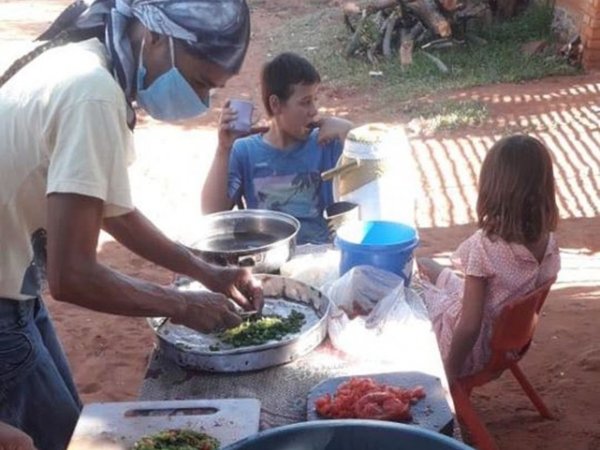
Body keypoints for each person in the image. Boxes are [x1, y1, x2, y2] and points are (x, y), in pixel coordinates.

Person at [0, 1, 262, 449]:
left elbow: (112, 211)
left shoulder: (82, 62)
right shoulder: (93, 93)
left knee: (70, 428)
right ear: (155, 37)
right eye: (200, 82)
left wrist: (207, 272)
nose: (201, 101)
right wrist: (181, 306)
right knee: (57, 440)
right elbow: (73, 276)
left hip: (15, 288)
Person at [416, 135, 560, 382]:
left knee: (412, 289)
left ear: (491, 189)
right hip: (507, 341)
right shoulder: (547, 242)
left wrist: (449, 373)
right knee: (427, 266)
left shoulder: (483, 247)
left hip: (472, 349)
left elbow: (470, 326)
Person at [201, 52, 353, 244]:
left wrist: (349, 133)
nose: (314, 111)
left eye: (315, 99)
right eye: (305, 102)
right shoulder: (245, 152)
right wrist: (223, 149)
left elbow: (373, 188)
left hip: (319, 260)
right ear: (276, 105)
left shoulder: (326, 144)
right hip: (268, 259)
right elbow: (212, 213)